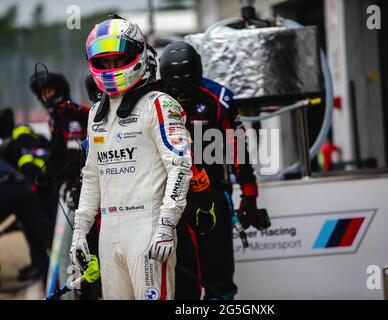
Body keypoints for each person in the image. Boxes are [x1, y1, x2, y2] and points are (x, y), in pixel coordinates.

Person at [70, 16, 192, 300]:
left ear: (137, 54)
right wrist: (80, 231)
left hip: (147, 229)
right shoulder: (95, 114)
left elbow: (180, 166)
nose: (111, 69)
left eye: (118, 59)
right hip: (108, 232)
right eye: (104, 62)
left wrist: (166, 223)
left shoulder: (160, 105)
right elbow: (91, 177)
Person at [159, 41, 261, 299]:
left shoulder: (220, 98)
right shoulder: (151, 98)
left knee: (219, 279)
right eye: (176, 92)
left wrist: (249, 194)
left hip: (212, 195)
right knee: (182, 281)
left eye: (187, 91)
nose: (182, 98)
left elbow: (237, 148)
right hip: (167, 202)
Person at [29, 70, 90, 215]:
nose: (46, 96)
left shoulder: (69, 113)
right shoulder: (53, 116)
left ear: (59, 90)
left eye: (49, 91)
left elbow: (75, 151)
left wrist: (70, 183)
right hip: (59, 179)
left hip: (75, 182)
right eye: (43, 92)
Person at [0, 158, 52, 281]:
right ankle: (43, 266)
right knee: (34, 227)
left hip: (8, 188)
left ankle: (42, 265)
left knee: (34, 226)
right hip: (20, 186)